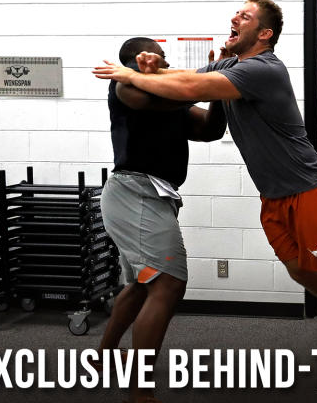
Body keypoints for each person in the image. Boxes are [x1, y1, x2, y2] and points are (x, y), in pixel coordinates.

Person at [93, 0, 317, 371]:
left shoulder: (263, 69)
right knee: (302, 273)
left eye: (244, 16)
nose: (234, 17)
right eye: (236, 13)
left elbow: (190, 91)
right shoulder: (229, 64)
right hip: (273, 195)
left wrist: (131, 72)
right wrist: (152, 69)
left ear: (264, 33)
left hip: (307, 186)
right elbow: (185, 78)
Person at [97, 37, 220, 403]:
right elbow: (155, 97)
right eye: (155, 59)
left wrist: (221, 92)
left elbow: (211, 129)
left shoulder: (171, 102)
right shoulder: (124, 86)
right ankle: (140, 391)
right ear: (133, 62)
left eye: (163, 60)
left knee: (140, 285)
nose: (161, 64)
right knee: (168, 285)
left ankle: (102, 356)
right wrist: (217, 78)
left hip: (152, 195)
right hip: (134, 192)